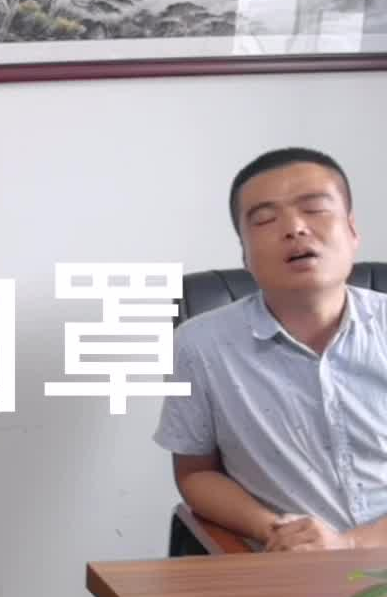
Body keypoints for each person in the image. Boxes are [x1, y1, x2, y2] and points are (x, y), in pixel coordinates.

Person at [154, 147, 387, 553]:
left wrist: (349, 544)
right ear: (244, 254)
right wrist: (277, 531)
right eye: (264, 219)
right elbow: (195, 473)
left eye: (315, 209)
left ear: (352, 231)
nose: (295, 228)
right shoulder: (201, 346)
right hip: (288, 563)